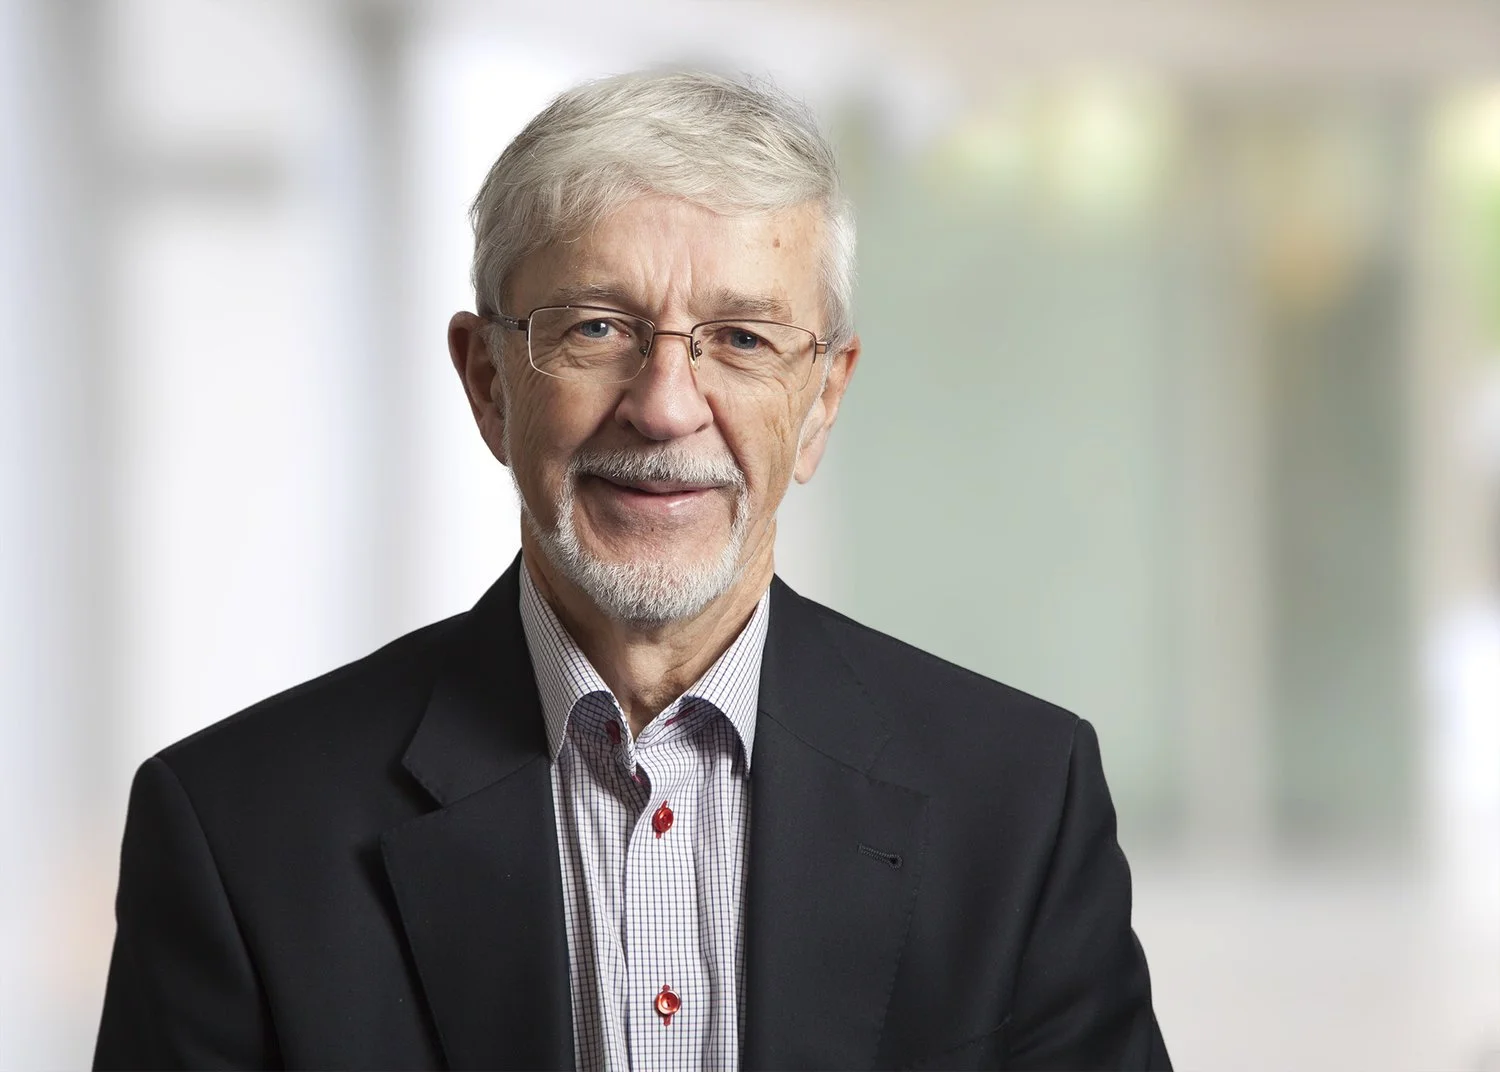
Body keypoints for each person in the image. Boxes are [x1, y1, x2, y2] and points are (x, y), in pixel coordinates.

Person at [94, 71, 1170, 1071]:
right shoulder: (238, 831)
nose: (664, 405)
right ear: (487, 382)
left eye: (742, 338)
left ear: (823, 401)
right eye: (598, 327)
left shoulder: (1021, 804)